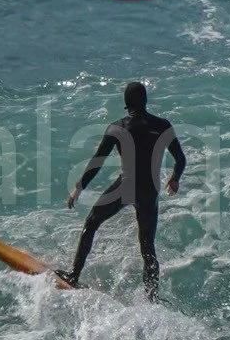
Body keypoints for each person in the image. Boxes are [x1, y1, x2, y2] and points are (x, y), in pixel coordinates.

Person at [61, 81, 186, 292]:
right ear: (145, 101)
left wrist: (78, 188)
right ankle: (152, 298)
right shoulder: (163, 125)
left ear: (125, 103)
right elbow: (180, 159)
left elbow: (97, 162)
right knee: (147, 248)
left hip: (126, 186)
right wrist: (175, 178)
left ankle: (74, 275)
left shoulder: (117, 127)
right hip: (150, 190)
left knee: (91, 222)